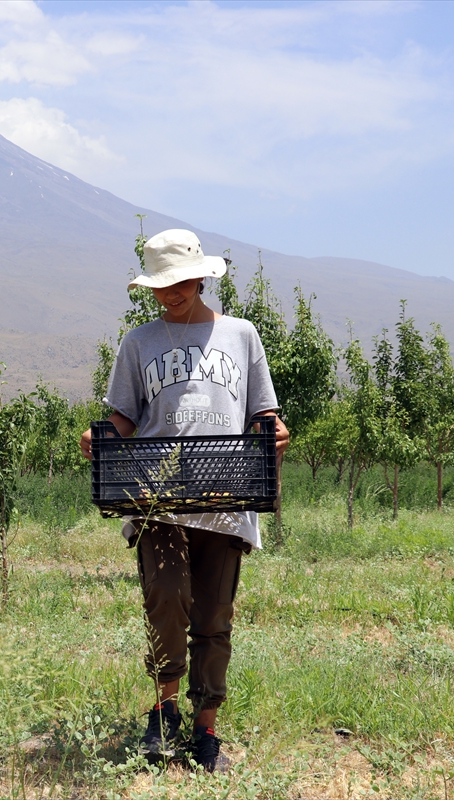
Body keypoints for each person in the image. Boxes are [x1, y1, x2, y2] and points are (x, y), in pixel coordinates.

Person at [79, 228, 289, 773]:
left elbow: (262, 412)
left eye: (179, 282)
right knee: (167, 598)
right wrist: (103, 437)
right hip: (159, 497)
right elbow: (125, 415)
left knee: (214, 616)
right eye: (160, 285)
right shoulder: (139, 342)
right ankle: (164, 711)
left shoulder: (241, 335)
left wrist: (275, 431)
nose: (170, 293)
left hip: (226, 495)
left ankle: (206, 727)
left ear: (201, 279)